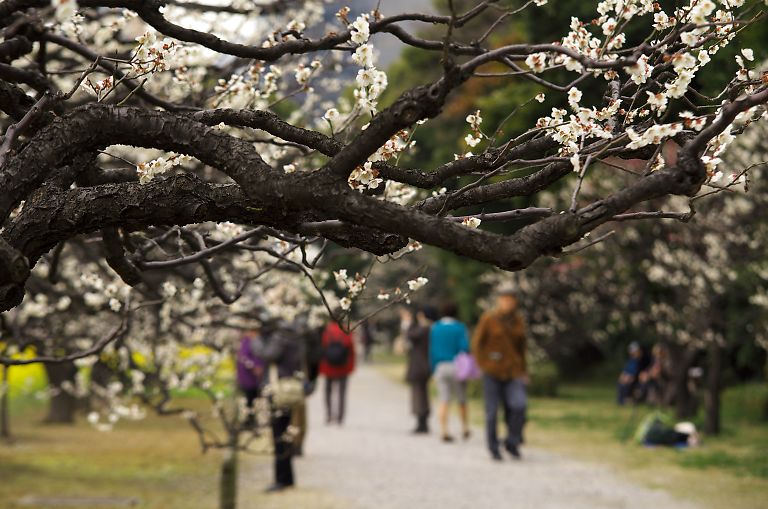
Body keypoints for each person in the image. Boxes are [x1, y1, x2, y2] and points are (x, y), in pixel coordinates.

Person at [472, 289, 528, 460]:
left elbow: (522, 348)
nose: (507, 304)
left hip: (513, 372)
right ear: (498, 301)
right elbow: (477, 344)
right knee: (492, 412)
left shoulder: (518, 321)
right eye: (504, 300)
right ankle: (493, 447)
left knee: (519, 406)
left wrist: (524, 370)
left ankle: (512, 442)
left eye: (510, 300)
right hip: (492, 372)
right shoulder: (488, 319)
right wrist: (484, 365)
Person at [253, 320, 305, 493]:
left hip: (278, 391)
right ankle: (287, 478)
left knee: (278, 436)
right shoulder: (296, 336)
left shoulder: (279, 337)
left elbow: (267, 354)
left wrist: (256, 340)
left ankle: (281, 479)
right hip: (289, 389)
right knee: (285, 435)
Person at [429, 302, 470, 443]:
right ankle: (464, 428)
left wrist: (433, 368)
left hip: (440, 366)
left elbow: (432, 350)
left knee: (443, 399)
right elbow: (464, 347)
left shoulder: (435, 328)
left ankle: (444, 430)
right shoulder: (459, 328)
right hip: (457, 366)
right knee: (461, 399)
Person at [406, 305, 437, 434]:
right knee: (423, 394)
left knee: (419, 395)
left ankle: (421, 422)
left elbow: (410, 335)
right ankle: (423, 421)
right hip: (426, 365)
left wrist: (408, 322)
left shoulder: (424, 328)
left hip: (419, 366)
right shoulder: (433, 328)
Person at [319, 318, 355, 425]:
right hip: (343, 367)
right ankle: (340, 417)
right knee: (342, 393)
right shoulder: (346, 330)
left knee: (328, 392)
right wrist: (351, 366)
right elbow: (351, 349)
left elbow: (323, 347)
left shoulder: (327, 330)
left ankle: (329, 415)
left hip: (328, 366)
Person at [236, 328, 264, 427]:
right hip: (248, 377)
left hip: (256, 378)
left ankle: (253, 420)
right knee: (249, 399)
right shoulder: (246, 341)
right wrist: (254, 366)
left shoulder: (257, 341)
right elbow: (244, 357)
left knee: (254, 398)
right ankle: (249, 421)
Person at [617, 341, 643, 405]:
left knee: (626, 382)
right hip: (629, 377)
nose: (632, 352)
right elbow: (626, 370)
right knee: (621, 382)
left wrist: (629, 377)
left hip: (635, 379)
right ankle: (621, 399)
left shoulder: (640, 361)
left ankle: (625, 399)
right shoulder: (631, 360)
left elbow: (637, 373)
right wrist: (623, 376)